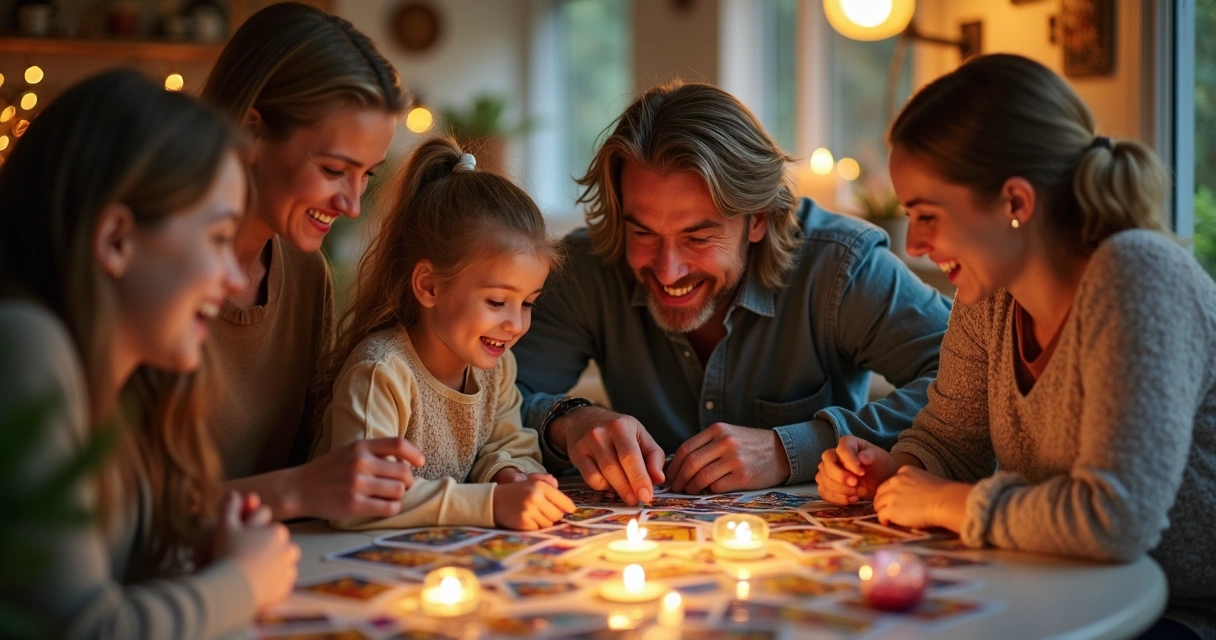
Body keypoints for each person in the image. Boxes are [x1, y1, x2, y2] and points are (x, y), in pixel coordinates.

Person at [815, 54, 1216, 638]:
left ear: (1015, 204)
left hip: (1177, 610)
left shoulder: (1138, 277)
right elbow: (952, 441)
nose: (917, 244)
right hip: (1065, 587)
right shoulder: (991, 294)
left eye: (927, 215)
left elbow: (1115, 519)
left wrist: (944, 503)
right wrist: (896, 471)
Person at [512, 81, 951, 505]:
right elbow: (491, 394)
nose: (667, 270)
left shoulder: (842, 266)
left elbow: (970, 382)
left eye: (698, 238)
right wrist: (567, 421)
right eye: (642, 232)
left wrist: (790, 449)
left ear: (757, 219)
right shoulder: (589, 268)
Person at [0, 69, 299, 639]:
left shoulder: (124, 383)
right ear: (116, 239)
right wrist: (243, 580)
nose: (233, 276)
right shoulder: (23, 346)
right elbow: (83, 630)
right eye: (217, 239)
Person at [198, 2, 425, 522]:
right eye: (332, 169)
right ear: (252, 130)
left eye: (367, 174)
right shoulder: (146, 274)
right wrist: (297, 490)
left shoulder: (304, 275)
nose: (351, 203)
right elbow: (115, 517)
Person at [313, 138, 576, 531]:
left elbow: (509, 445)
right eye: (497, 301)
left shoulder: (496, 368)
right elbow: (361, 501)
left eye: (528, 304)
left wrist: (509, 475)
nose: (516, 324)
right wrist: (490, 504)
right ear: (430, 286)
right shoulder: (381, 373)